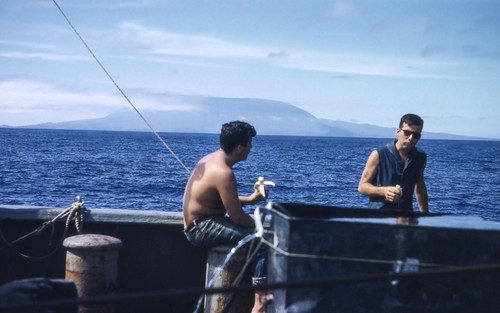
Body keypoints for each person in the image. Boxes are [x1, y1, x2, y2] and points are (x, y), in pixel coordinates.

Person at [182, 120, 269, 313]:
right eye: (249, 144)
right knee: (263, 241)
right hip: (201, 228)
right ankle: (259, 304)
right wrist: (262, 227)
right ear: (240, 147)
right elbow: (237, 218)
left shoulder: (210, 160)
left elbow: (220, 198)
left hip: (200, 223)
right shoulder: (224, 173)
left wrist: (250, 199)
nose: (250, 148)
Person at [358, 113, 429, 212]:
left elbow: (420, 187)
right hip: (379, 216)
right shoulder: (378, 154)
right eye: (407, 133)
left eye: (416, 135)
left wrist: (425, 215)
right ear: (398, 131)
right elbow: (362, 186)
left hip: (405, 217)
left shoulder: (420, 157)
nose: (411, 138)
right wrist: (384, 191)